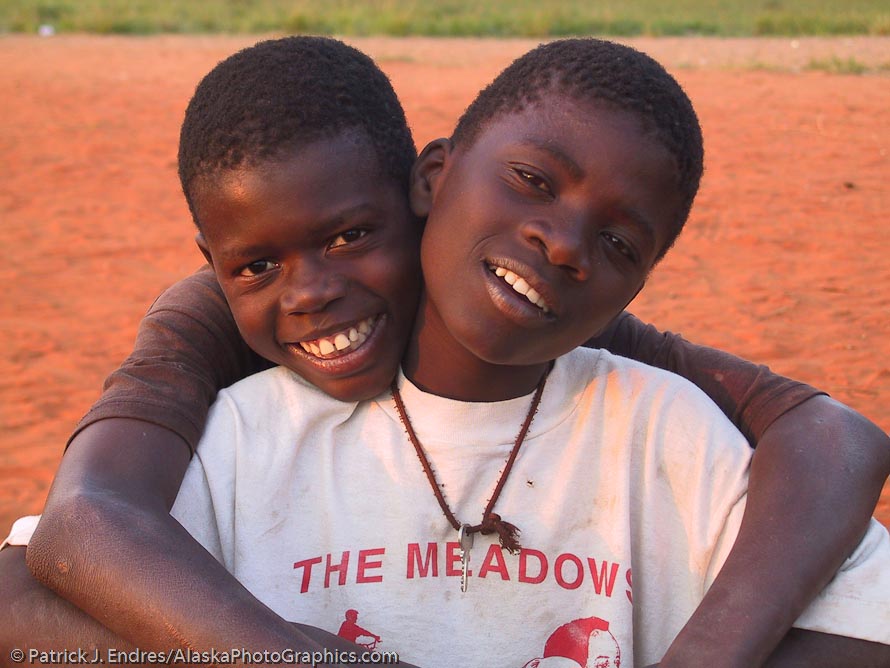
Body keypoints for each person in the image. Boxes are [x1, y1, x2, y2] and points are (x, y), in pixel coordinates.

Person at [1, 36, 886, 666]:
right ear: (438, 175)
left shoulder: (644, 401)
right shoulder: (222, 365)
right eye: (260, 266)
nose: (307, 290)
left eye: (351, 236)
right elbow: (66, 549)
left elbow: (836, 446)